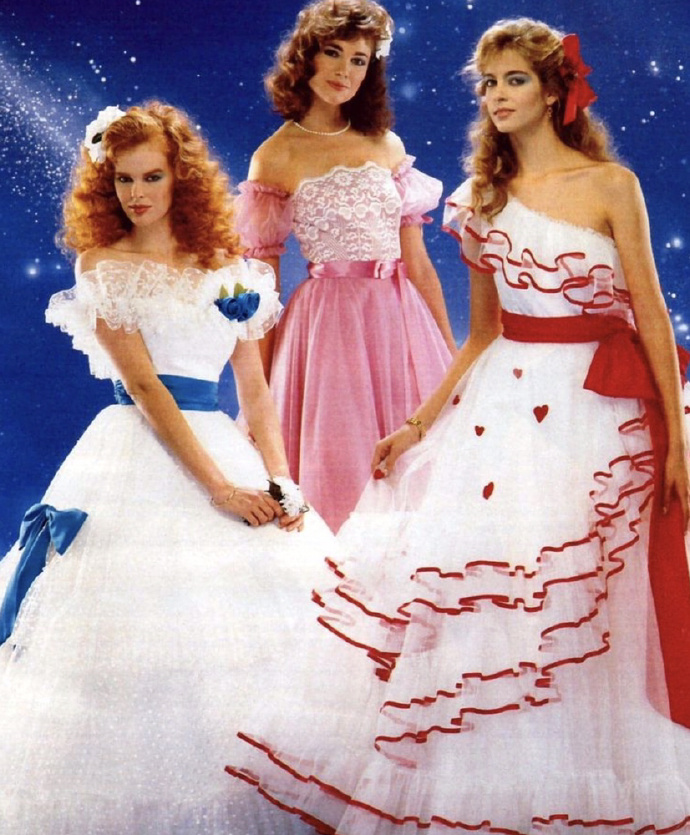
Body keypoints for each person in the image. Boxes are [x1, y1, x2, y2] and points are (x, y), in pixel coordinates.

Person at [225, 18, 690, 833]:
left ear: (555, 90)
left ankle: (602, 784)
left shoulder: (612, 185)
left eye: (516, 80)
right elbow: (481, 336)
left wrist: (678, 440)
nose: (498, 96)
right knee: (500, 596)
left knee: (597, 597)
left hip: (603, 411)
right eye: (489, 83)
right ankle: (503, 789)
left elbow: (651, 313)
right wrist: (416, 425)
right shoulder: (478, 200)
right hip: (505, 409)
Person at [0, 101, 336, 834]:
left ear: (181, 176)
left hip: (223, 441)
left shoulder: (230, 269)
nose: (136, 193)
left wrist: (280, 480)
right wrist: (220, 489)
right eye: (123, 179)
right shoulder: (103, 266)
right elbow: (147, 388)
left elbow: (256, 390)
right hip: (140, 448)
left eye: (151, 176)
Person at [236, 0, 456, 533]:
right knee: (342, 469)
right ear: (305, 58)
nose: (345, 71)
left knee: (421, 473)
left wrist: (454, 361)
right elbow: (262, 289)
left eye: (359, 60)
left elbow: (418, 263)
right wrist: (257, 390)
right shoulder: (276, 155)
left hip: (400, 321)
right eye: (333, 53)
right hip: (327, 329)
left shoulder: (386, 144)